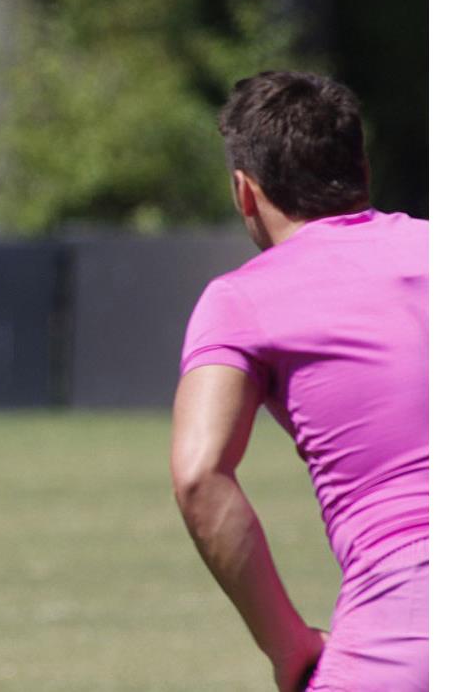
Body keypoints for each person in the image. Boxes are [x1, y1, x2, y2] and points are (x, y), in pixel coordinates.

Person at [170, 71, 428, 691]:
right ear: (361, 168)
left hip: (408, 626)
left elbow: (199, 475)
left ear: (245, 191)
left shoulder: (240, 299)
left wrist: (288, 646)